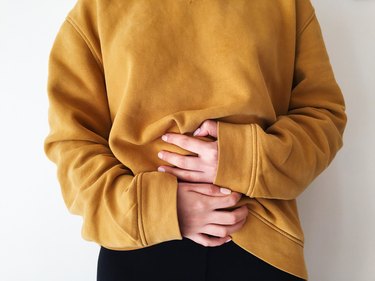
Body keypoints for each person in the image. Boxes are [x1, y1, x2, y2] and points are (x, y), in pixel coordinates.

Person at [44, 0, 347, 280]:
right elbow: (72, 143)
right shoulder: (98, 8)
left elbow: (323, 116)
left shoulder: (286, 4)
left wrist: (244, 158)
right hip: (138, 246)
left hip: (261, 240)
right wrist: (159, 209)